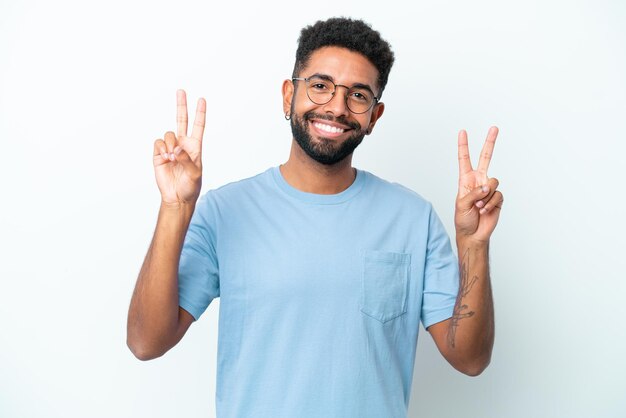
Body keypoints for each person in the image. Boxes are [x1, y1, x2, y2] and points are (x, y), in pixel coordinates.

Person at [127, 17, 503, 418]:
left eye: (358, 95)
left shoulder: (413, 218)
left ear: (374, 117)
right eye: (320, 86)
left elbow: (470, 359)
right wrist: (175, 208)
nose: (336, 107)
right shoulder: (225, 211)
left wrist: (474, 245)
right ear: (289, 94)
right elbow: (146, 342)